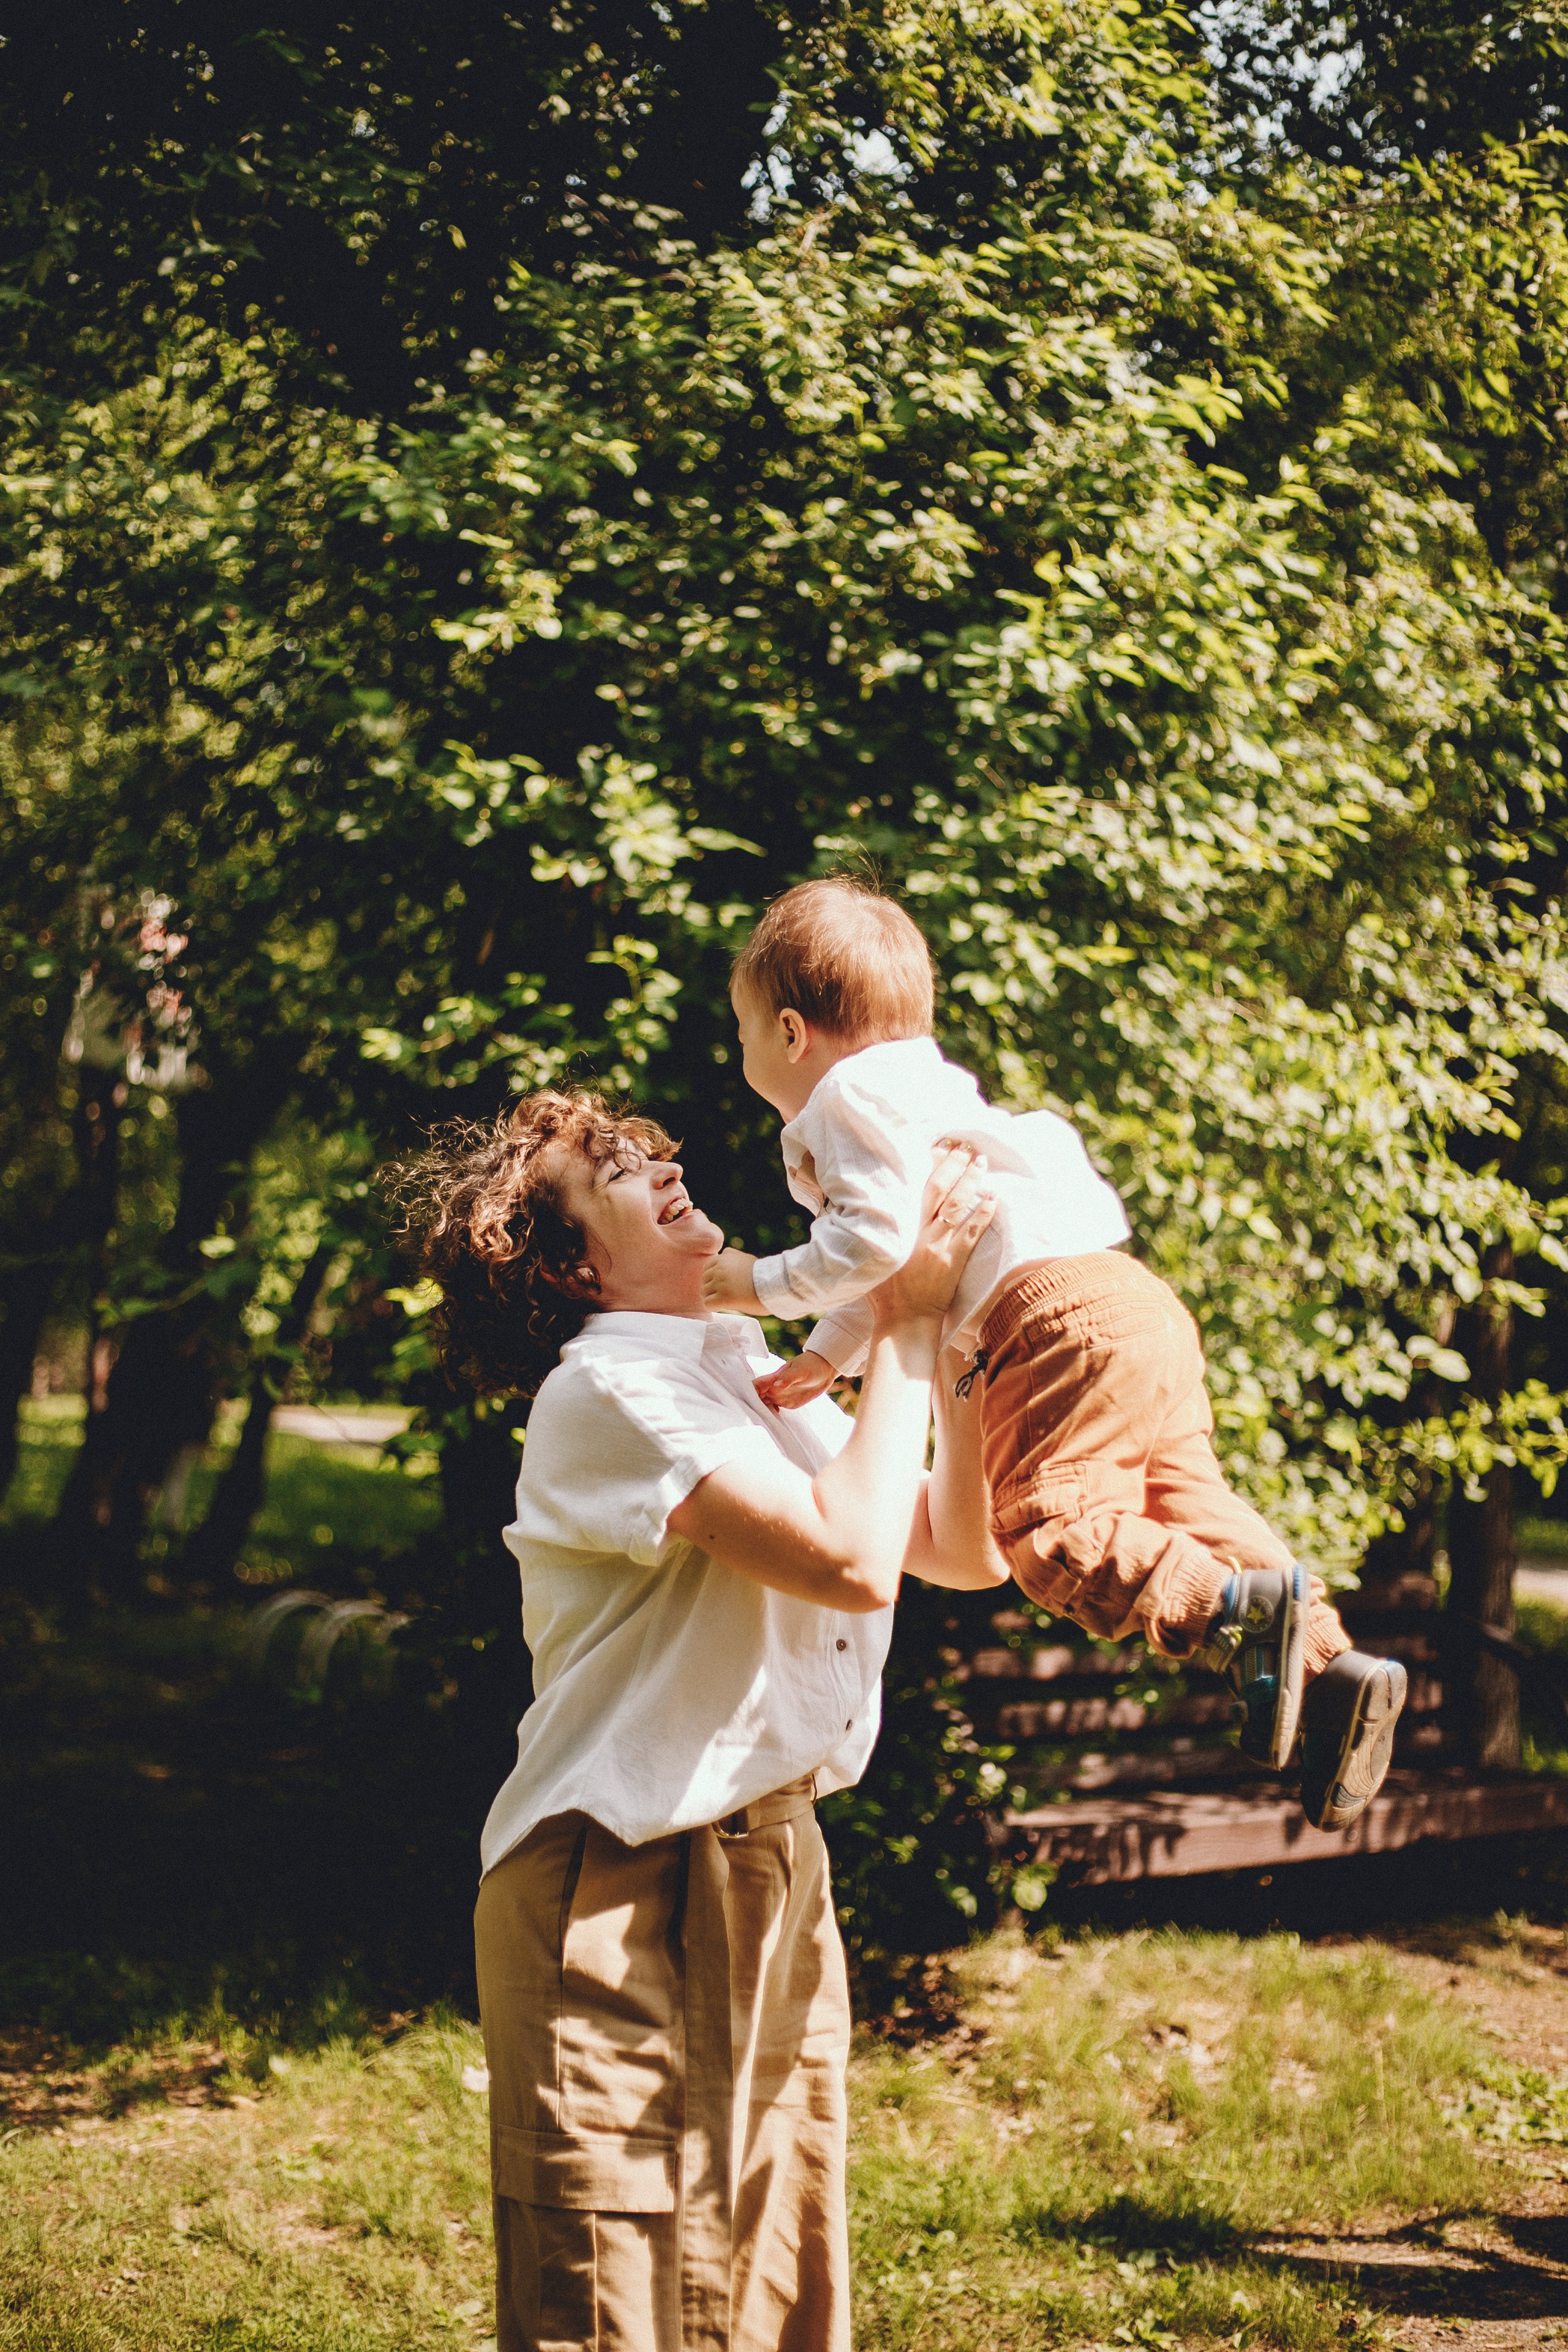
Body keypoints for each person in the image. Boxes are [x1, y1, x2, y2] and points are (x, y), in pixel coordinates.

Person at [393, 1088, 1007, 2352]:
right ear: (570, 1266)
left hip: (774, 1863)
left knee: (772, 2281)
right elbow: (849, 1561)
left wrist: (949, 1331)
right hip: (614, 1888)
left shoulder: (741, 1370)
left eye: (647, 1146)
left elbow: (958, 1547)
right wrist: (899, 1317)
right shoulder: (610, 1390)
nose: (660, 1161)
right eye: (615, 1167)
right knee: (619, 2303)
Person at [701, 877, 1408, 1836]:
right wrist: (832, 1354)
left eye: (742, 1031)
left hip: (1046, 1323)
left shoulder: (843, 1099)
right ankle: (1333, 1671)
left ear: (791, 1032)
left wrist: (754, 1282)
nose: (740, 1049)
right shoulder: (921, 1087)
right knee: (1178, 1502)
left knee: (1051, 1531)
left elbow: (872, 1245)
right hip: (1127, 1302)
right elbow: (903, 1258)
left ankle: (1230, 1612)